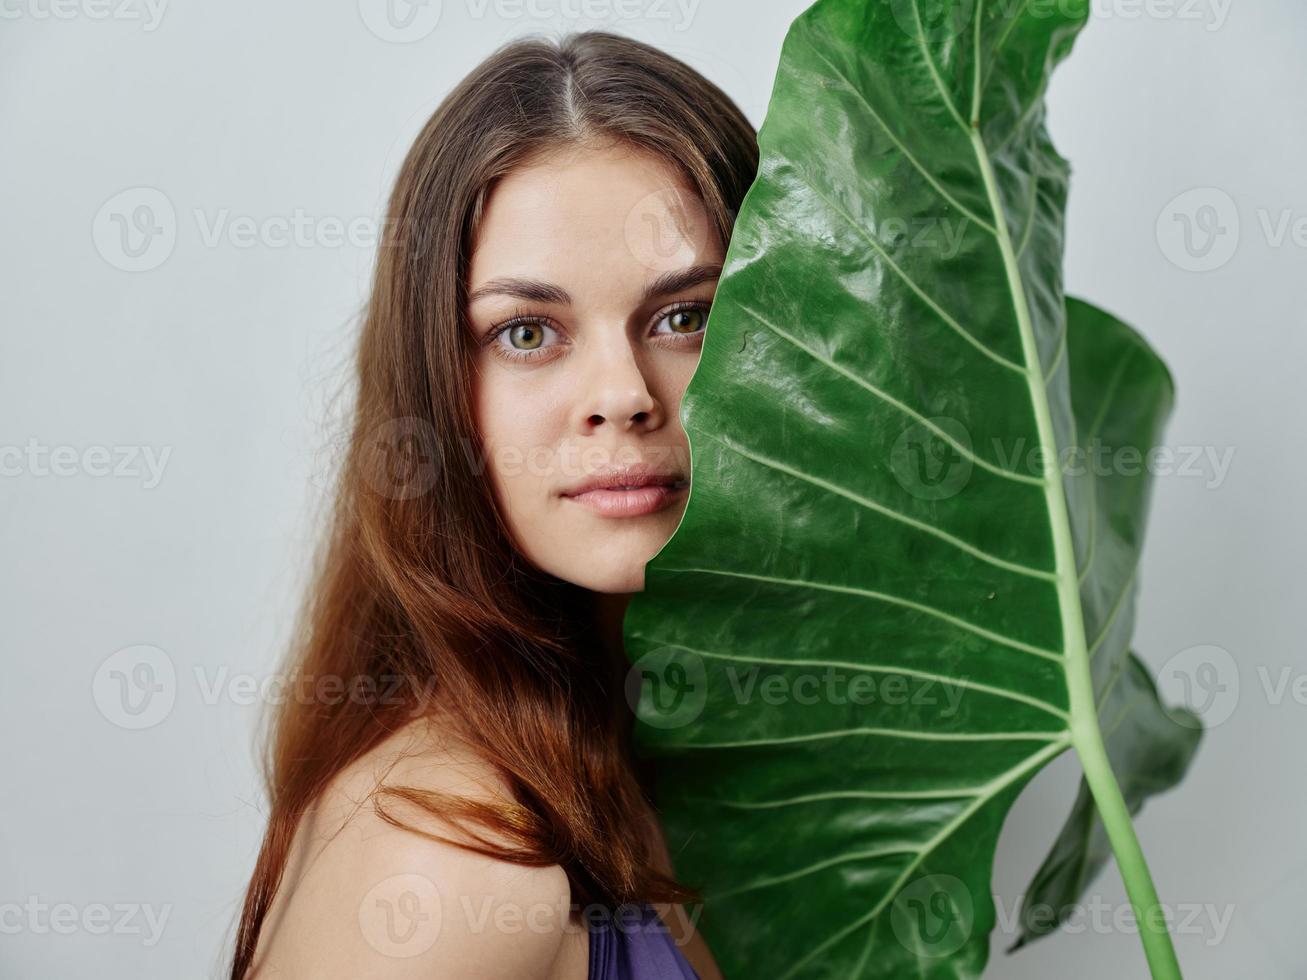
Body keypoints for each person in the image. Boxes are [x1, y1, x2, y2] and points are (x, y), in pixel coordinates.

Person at [226, 29, 758, 980]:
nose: (623, 392)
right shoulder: (453, 859)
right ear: (436, 391)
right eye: (526, 331)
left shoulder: (611, 753)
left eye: (687, 316)